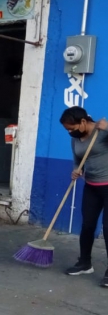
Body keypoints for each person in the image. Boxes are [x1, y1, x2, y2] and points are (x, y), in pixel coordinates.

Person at [60, 106, 108, 288]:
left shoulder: (102, 131)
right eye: (67, 130)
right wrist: (76, 170)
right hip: (92, 186)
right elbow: (78, 158)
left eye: (71, 128)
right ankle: (84, 263)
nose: (70, 132)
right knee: (87, 225)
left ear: (82, 122)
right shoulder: (76, 140)